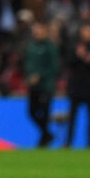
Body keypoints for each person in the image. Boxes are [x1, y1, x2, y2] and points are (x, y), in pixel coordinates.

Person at [64, 23, 90, 148]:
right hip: (76, 86)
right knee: (72, 117)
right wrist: (78, 56)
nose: (86, 34)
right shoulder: (75, 46)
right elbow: (68, 63)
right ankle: (68, 142)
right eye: (84, 31)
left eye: (89, 31)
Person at [24, 20, 59, 148]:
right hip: (33, 87)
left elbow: (54, 67)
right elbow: (28, 64)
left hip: (46, 86)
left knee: (44, 113)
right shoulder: (31, 46)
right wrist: (28, 77)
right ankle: (47, 134)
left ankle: (44, 139)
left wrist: (40, 76)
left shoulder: (50, 47)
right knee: (31, 112)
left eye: (39, 29)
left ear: (45, 31)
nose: (36, 32)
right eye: (35, 29)